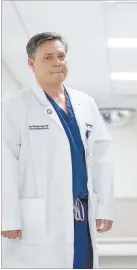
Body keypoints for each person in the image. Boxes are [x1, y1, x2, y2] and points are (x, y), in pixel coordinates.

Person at [1, 32, 115, 268]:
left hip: (81, 210)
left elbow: (103, 157)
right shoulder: (15, 105)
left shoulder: (85, 103)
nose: (57, 62)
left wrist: (105, 206)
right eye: (48, 57)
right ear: (31, 64)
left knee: (80, 263)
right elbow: (5, 161)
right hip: (38, 215)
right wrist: (8, 217)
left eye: (61, 56)